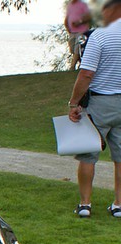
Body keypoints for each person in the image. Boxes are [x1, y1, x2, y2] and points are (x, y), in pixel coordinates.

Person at [68, 0, 121, 218]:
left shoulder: (99, 36)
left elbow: (86, 73)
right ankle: (119, 205)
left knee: (88, 155)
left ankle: (85, 205)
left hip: (100, 102)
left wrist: (74, 102)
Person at [66, 0, 92, 70]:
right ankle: (82, 65)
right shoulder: (70, 5)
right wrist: (67, 26)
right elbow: (67, 17)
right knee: (72, 49)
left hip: (82, 31)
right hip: (72, 32)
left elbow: (89, 17)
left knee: (77, 49)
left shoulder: (83, 4)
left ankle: (72, 67)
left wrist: (79, 22)